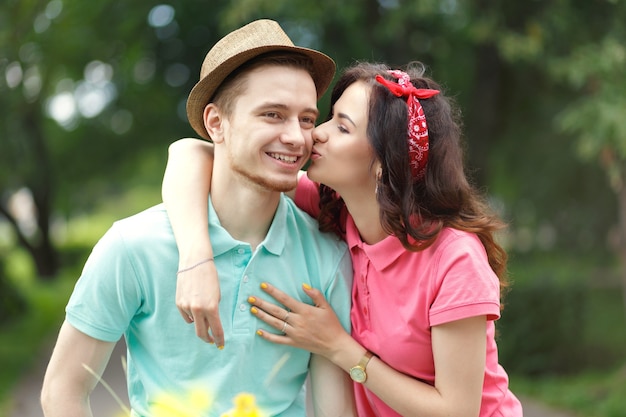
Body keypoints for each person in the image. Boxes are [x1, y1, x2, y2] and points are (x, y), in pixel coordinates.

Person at [161, 61, 524, 416]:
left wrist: (338, 347)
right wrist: (196, 258)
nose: (317, 132)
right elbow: (192, 151)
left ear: (383, 163)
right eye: (329, 117)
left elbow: (456, 411)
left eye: (342, 127)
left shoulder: (454, 258)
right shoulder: (338, 209)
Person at [40, 19, 357, 417]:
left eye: (307, 119)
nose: (296, 137)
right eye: (273, 115)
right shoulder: (134, 246)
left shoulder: (327, 256)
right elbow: (63, 390)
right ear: (215, 123)